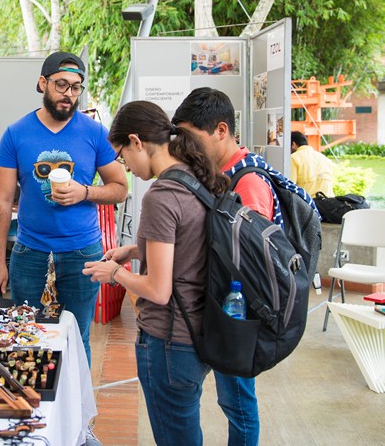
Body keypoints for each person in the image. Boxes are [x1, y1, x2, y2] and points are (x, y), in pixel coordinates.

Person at [83, 100, 228, 445]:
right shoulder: (195, 177)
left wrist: (114, 273)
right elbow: (189, 246)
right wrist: (134, 250)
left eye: (122, 156)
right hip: (197, 334)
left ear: (136, 141)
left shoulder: (161, 196)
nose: (125, 168)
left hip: (169, 341)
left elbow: (158, 290)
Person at [0, 51, 128, 365]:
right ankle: (32, 397)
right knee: (26, 336)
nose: (68, 94)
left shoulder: (94, 132)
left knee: (76, 338)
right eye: (61, 85)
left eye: (75, 87)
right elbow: (3, 202)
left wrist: (85, 192)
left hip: (82, 252)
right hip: (30, 252)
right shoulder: (15, 134)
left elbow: (120, 188)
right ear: (43, 83)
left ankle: (77, 399)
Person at [172, 87, 270, 445]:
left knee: (237, 403)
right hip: (218, 304)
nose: (188, 148)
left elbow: (253, 258)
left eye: (193, 138)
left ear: (221, 131)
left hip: (236, 311)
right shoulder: (218, 173)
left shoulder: (249, 180)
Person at [290, 130, 335, 197]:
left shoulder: (294, 158)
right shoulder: (324, 158)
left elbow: (290, 186)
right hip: (329, 200)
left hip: (308, 201)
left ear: (293, 144)